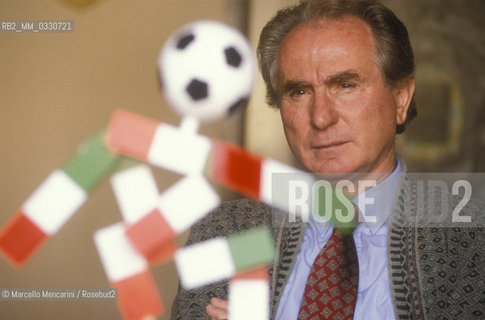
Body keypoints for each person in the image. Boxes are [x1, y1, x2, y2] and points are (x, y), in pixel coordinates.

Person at [171, 0, 485, 319]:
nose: (321, 118)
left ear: (401, 98)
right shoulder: (228, 233)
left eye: (345, 85)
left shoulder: (469, 241)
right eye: (299, 92)